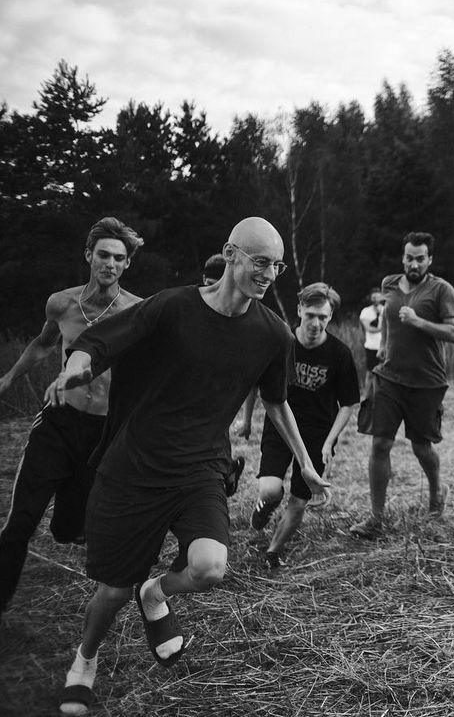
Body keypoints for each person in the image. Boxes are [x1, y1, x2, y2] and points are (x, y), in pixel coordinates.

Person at [53, 217, 329, 716]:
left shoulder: (272, 334)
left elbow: (277, 402)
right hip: (136, 464)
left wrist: (305, 465)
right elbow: (105, 340)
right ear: (231, 253)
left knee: (209, 567)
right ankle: (84, 661)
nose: (268, 274)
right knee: (111, 591)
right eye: (260, 261)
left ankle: (155, 592)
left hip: (200, 466)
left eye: (277, 265)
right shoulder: (174, 306)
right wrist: (77, 364)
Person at [0, 218, 143, 615]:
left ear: (127, 263)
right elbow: (43, 344)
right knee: (19, 524)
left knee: (65, 530)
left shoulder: (136, 311)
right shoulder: (61, 303)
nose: (110, 264)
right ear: (88, 255)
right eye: (103, 255)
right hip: (57, 423)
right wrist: (9, 377)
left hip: (101, 433)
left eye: (119, 258)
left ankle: (76, 527)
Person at [350, 232, 454, 539]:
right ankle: (376, 519)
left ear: (430, 260)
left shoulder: (442, 290)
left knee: (421, 447)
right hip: (388, 377)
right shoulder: (388, 284)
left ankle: (437, 491)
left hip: (427, 381)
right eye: (409, 257)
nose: (414, 263)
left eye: (420, 258)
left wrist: (418, 322)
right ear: (403, 258)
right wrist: (384, 342)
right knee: (380, 442)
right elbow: (386, 317)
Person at [245, 282, 360, 570]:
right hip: (279, 427)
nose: (316, 323)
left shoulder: (339, 354)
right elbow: (255, 382)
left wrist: (329, 442)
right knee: (272, 491)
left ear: (330, 317)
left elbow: (348, 403)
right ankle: (264, 507)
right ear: (299, 310)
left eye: (323, 317)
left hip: (317, 434)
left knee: (299, 500)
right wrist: (246, 419)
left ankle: (272, 553)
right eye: (310, 315)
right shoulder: (281, 344)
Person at [359, 287, 385, 381]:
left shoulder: (386, 310)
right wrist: (383, 328)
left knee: (385, 372)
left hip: (384, 346)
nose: (375, 299)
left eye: (378, 296)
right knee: (370, 372)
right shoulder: (365, 311)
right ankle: (366, 395)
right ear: (370, 298)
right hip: (371, 346)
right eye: (373, 297)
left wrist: (381, 313)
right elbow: (369, 329)